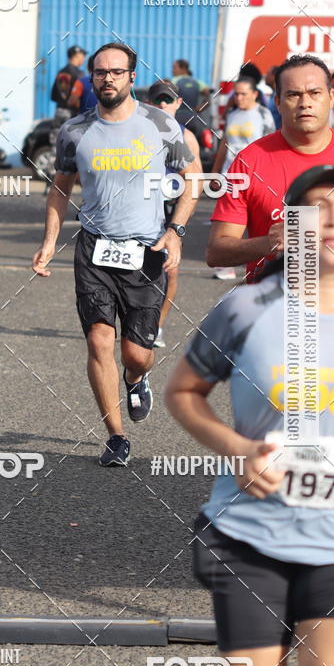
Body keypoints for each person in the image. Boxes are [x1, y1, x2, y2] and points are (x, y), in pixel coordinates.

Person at [166, 165, 334, 666]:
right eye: (316, 208)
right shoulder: (245, 309)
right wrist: (236, 448)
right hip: (250, 537)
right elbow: (184, 391)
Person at [32, 42, 199, 466]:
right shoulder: (74, 131)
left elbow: (192, 178)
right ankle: (116, 436)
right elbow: (60, 189)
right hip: (94, 248)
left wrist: (176, 231)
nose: (108, 78)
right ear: (93, 77)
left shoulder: (161, 126)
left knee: (136, 352)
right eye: (101, 72)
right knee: (98, 339)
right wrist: (51, 239)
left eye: (117, 71)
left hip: (145, 250)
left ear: (131, 76)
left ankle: (135, 377)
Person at [207, 53, 334, 287]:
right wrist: (269, 243)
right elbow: (216, 252)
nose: (305, 103)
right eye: (294, 94)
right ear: (277, 102)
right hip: (272, 312)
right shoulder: (249, 161)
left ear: (331, 96)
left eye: (315, 93)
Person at [146, 79, 202, 348]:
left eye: (167, 100)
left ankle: (157, 326)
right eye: (157, 100)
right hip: (143, 207)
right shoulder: (137, 132)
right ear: (147, 103)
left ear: (179, 103)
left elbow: (197, 180)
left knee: (172, 271)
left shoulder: (186, 135)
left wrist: (179, 223)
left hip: (171, 210)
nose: (162, 105)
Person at [211, 77, 275, 281]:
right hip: (230, 174)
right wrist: (215, 171)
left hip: (255, 175)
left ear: (255, 94)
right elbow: (224, 144)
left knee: (255, 222)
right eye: (236, 94)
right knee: (226, 222)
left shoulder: (263, 115)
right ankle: (224, 265)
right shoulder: (232, 114)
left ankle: (261, 265)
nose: (238, 98)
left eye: (243, 94)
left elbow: (270, 147)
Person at [50, 45, 87, 120]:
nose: (84, 59)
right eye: (83, 56)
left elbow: (53, 96)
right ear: (77, 55)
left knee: (58, 132)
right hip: (73, 115)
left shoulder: (61, 72)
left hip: (59, 112)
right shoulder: (79, 74)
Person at [171, 59, 210, 128]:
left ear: (183, 69)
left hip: (177, 118)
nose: (172, 70)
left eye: (174, 68)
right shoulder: (198, 82)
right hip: (193, 118)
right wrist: (198, 110)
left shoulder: (174, 81)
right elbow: (208, 101)